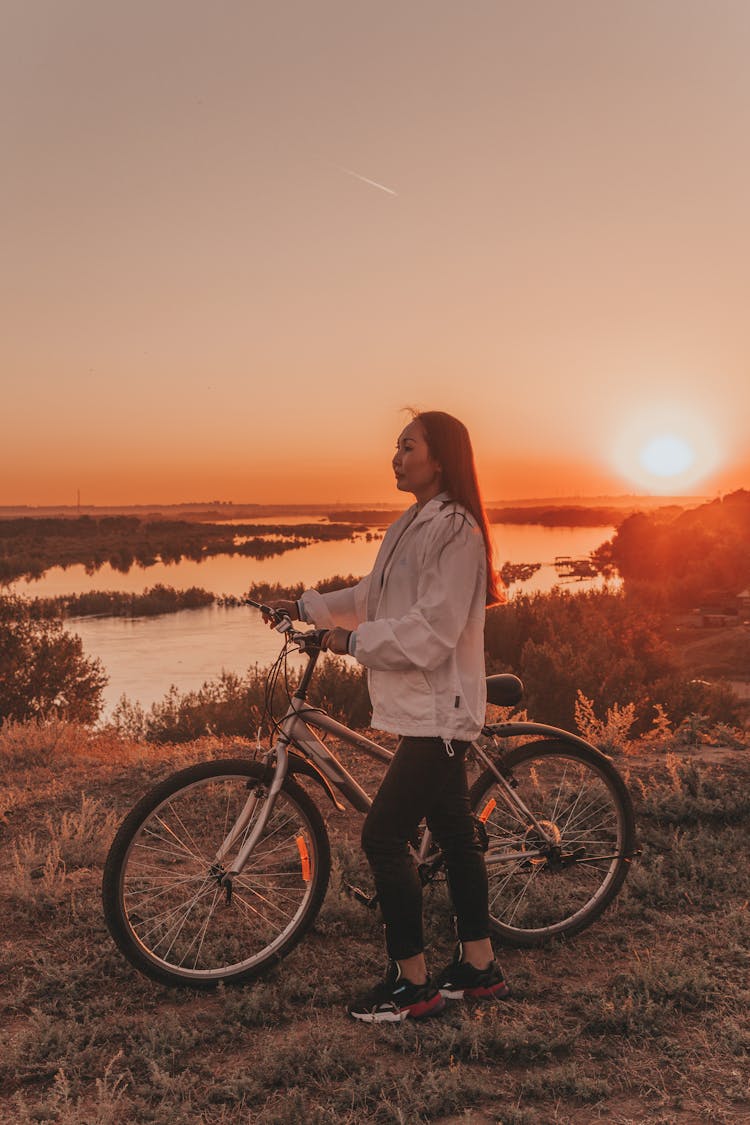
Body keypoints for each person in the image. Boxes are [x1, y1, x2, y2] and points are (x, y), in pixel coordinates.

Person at [266, 410, 510, 1022]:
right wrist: (305, 606)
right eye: (395, 447)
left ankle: (414, 986)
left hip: (441, 711)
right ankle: (478, 970)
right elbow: (369, 597)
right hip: (421, 707)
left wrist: (353, 643)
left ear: (441, 457)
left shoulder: (457, 531)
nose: (396, 457)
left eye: (408, 446)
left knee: (382, 835)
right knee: (454, 836)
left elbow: (432, 631)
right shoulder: (409, 524)